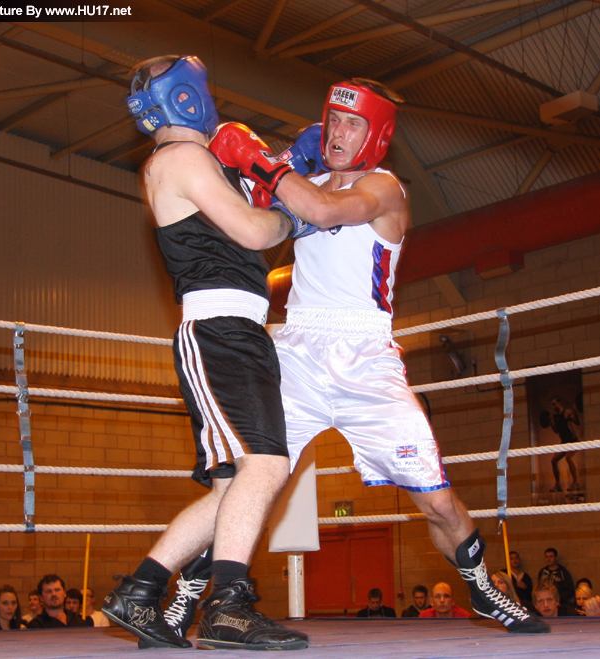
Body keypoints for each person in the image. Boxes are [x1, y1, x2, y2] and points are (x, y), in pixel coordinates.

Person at [212, 78, 549, 635]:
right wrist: (245, 178)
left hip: (367, 357)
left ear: (378, 136)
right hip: (297, 350)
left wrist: (265, 163)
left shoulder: (385, 188)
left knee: (436, 500)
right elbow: (253, 234)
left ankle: (485, 588)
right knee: (245, 479)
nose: (339, 133)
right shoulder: (306, 181)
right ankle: (191, 598)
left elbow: (322, 211)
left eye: (353, 124)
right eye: (334, 120)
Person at [101, 54, 311, 652]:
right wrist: (289, 208)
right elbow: (255, 233)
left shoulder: (190, 162)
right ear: (189, 97)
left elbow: (242, 239)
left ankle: (139, 595)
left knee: (228, 489)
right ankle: (228, 607)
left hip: (233, 329)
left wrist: (272, 174)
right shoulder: (185, 158)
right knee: (266, 466)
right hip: (220, 331)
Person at [547, 397, 581, 492]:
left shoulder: (567, 412)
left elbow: (577, 423)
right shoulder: (556, 417)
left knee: (568, 457)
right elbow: (556, 431)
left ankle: (575, 483)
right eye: (552, 405)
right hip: (564, 442)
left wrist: (574, 414)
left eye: (554, 404)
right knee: (553, 460)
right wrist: (551, 421)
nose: (553, 407)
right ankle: (558, 485)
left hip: (573, 441)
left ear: (560, 403)